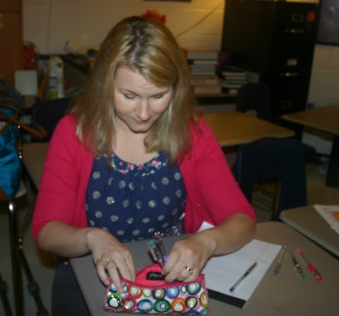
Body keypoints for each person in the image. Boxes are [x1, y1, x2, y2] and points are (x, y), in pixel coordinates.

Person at [31, 16, 256, 316]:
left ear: (175, 89)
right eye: (129, 95)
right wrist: (91, 237)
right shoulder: (73, 133)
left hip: (167, 274)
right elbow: (46, 230)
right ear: (105, 84)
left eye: (158, 96)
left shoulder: (192, 133)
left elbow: (243, 220)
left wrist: (206, 242)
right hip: (89, 270)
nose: (143, 113)